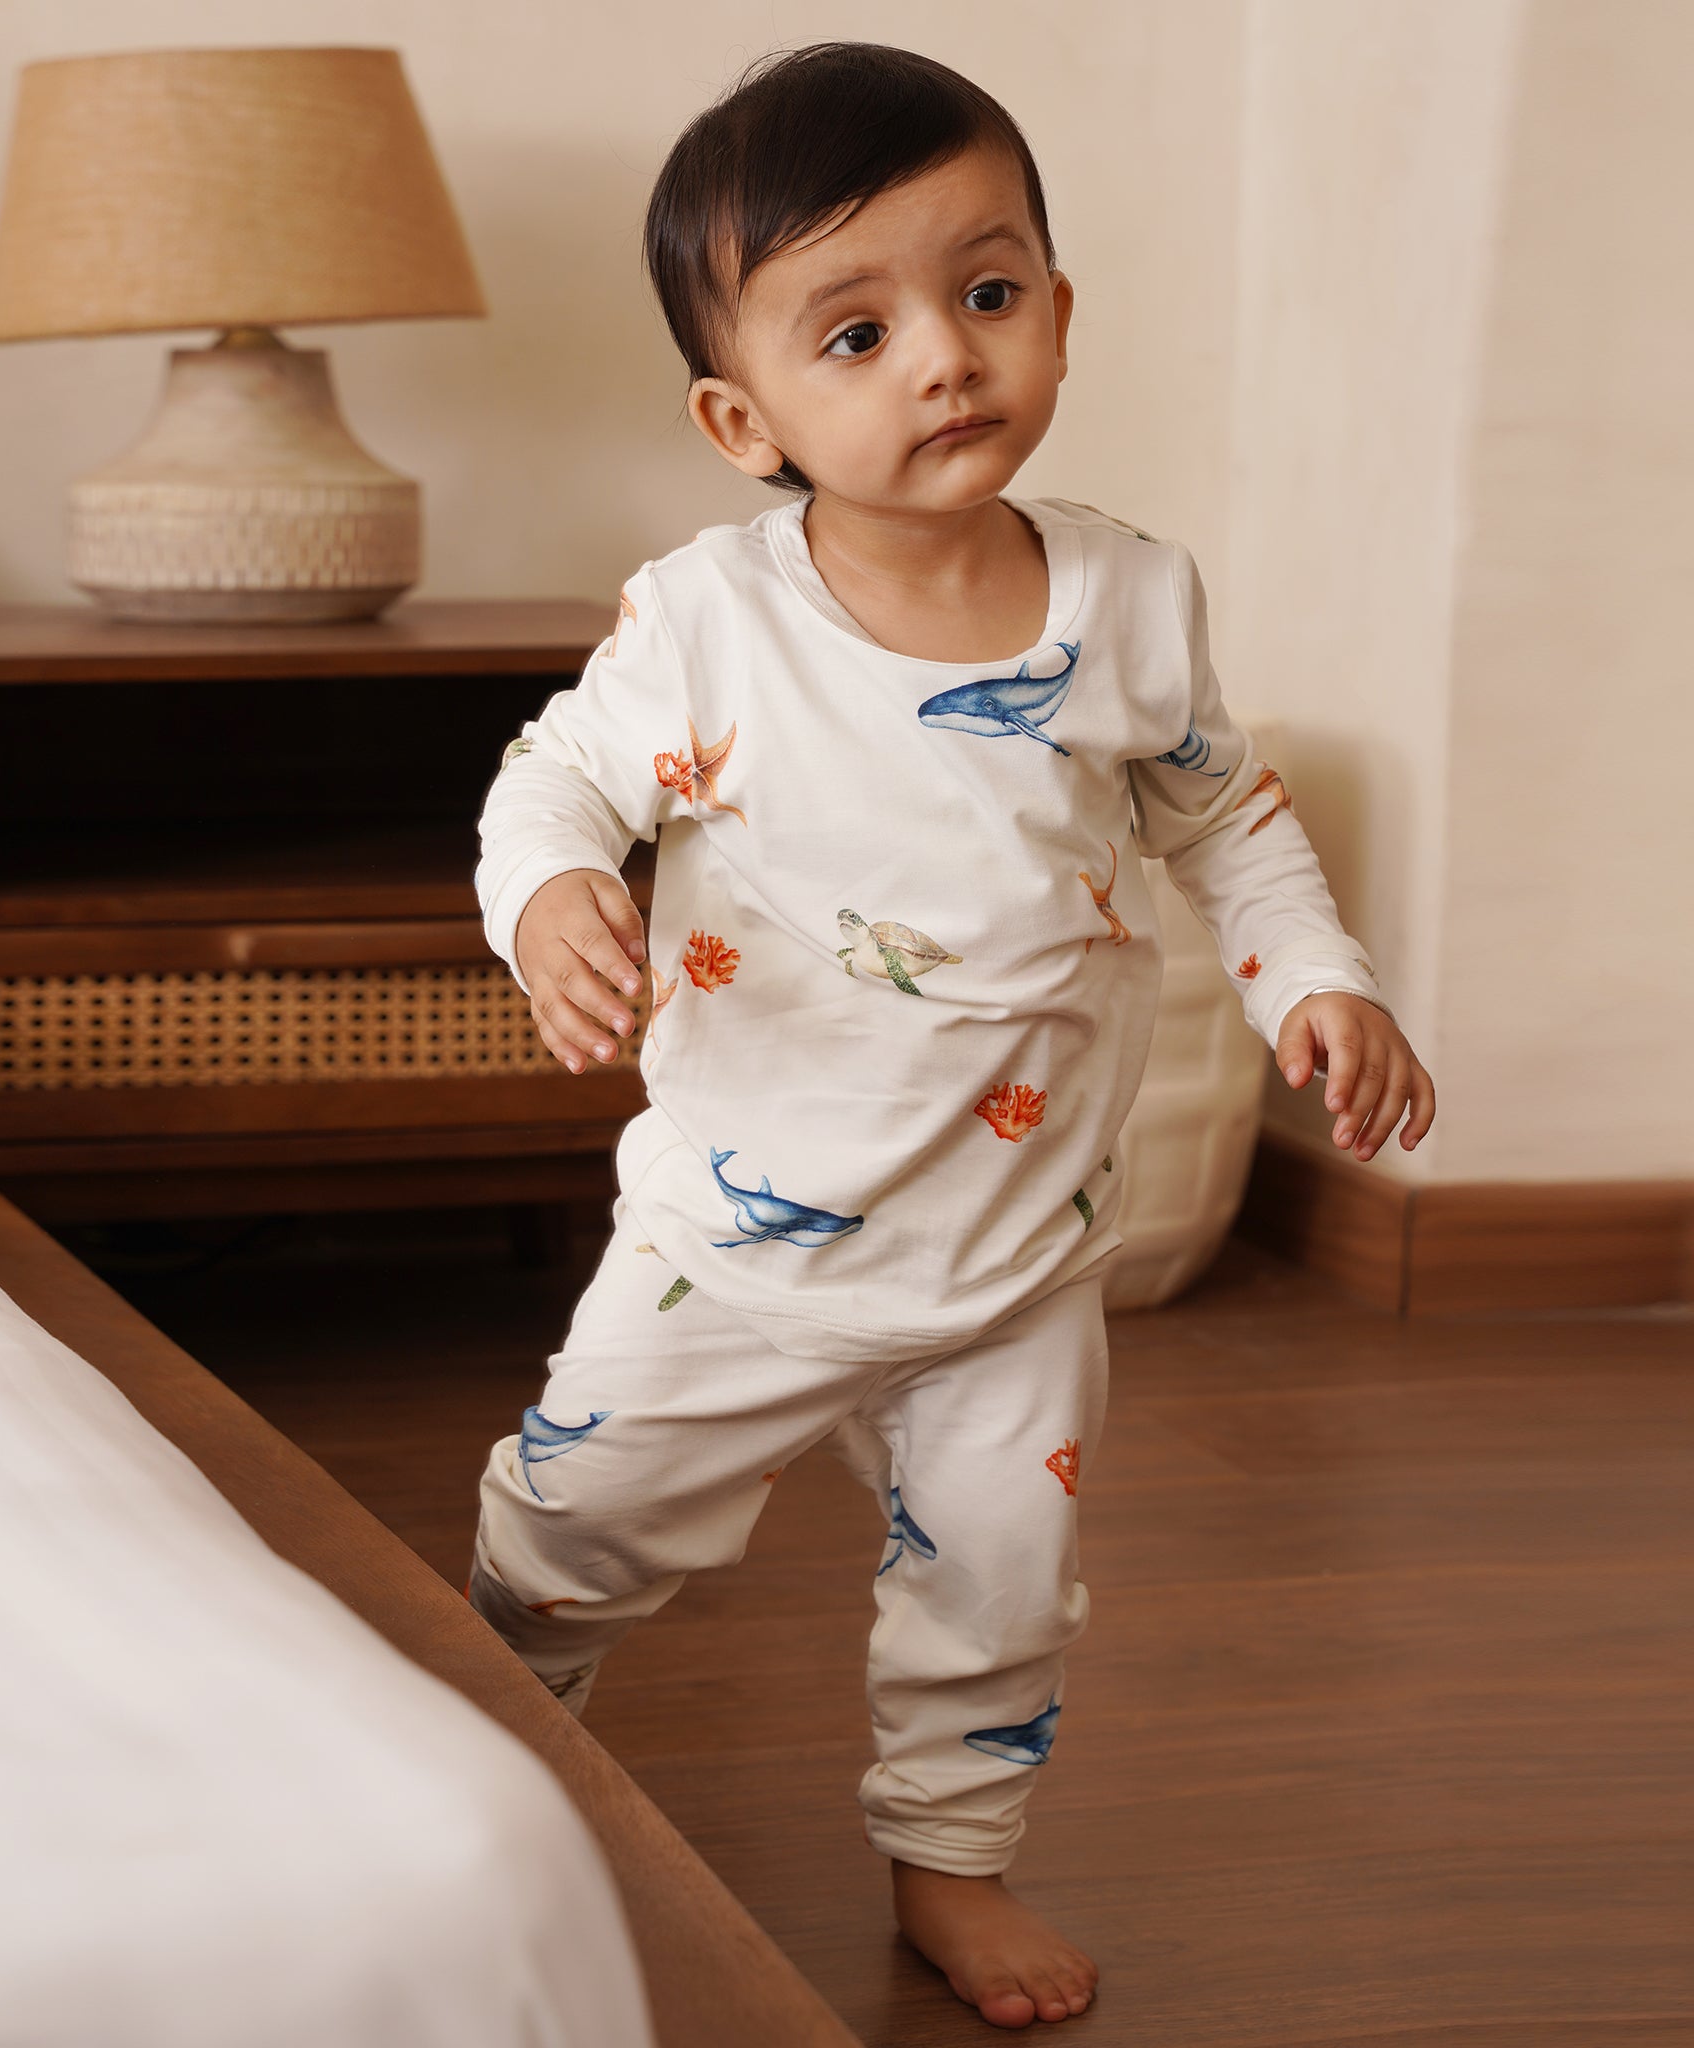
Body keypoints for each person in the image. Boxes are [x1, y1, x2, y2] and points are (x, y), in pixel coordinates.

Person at [467, 41, 1435, 2031]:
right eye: (857, 327)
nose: (940, 358)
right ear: (745, 416)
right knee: (565, 1534)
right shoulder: (705, 622)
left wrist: (1315, 979)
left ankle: (946, 1865)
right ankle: (488, 1762)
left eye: (986, 294)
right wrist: (560, 896)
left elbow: (1228, 826)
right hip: (729, 1255)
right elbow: (551, 788)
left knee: (996, 1594)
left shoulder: (1126, 605)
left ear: (1058, 314)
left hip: (1010, 1265)